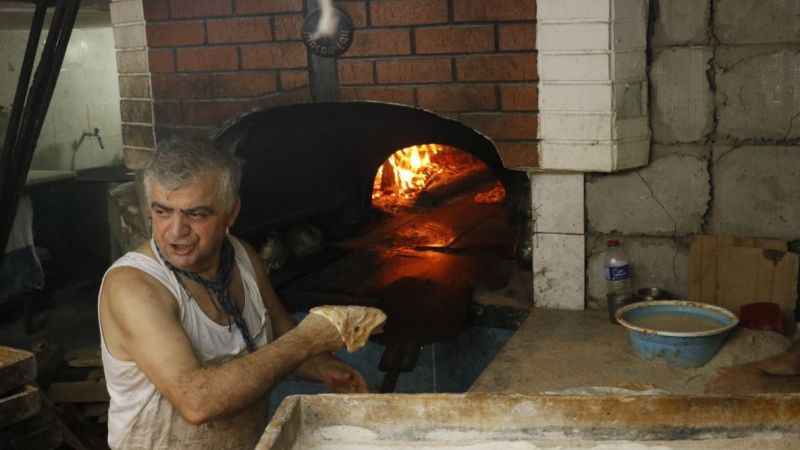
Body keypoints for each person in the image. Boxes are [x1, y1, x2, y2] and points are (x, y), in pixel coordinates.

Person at [97, 139, 367, 450]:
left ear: (231, 213)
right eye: (162, 212)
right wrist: (307, 339)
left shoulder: (242, 257)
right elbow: (197, 402)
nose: (175, 231)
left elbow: (280, 335)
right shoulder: (134, 286)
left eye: (196, 215)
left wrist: (325, 369)